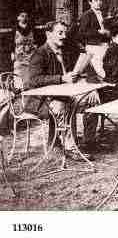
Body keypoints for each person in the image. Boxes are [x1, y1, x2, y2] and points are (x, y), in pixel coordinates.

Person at [25, 21, 100, 159]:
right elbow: (33, 80)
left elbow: (74, 74)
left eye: (65, 32)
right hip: (41, 100)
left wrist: (83, 82)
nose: (64, 36)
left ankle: (88, 141)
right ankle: (70, 148)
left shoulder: (65, 51)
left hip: (63, 94)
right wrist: (61, 78)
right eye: (60, 33)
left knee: (91, 100)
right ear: (49, 34)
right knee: (62, 106)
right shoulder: (39, 54)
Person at [78, 0, 110, 78]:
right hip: (93, 46)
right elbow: (82, 33)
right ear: (90, 2)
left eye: (100, 0)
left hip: (104, 45)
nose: (99, 2)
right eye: (96, 0)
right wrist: (98, 32)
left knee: (107, 66)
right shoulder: (86, 15)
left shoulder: (103, 14)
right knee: (100, 71)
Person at [11, 11, 36, 82]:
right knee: (18, 71)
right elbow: (11, 42)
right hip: (19, 53)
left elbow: (35, 41)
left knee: (30, 70)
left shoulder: (31, 28)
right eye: (22, 16)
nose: (24, 18)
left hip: (30, 53)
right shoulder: (15, 29)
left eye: (26, 16)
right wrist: (12, 52)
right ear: (18, 18)